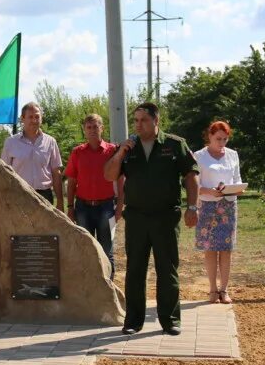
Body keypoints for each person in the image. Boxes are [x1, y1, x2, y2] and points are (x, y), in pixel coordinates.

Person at [104, 102, 199, 336]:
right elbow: (109, 175)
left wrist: (193, 207)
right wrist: (120, 153)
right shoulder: (129, 147)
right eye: (135, 120)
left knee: (167, 269)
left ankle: (170, 320)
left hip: (165, 217)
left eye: (143, 120)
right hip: (136, 217)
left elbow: (191, 175)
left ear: (156, 121)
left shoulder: (174, 144)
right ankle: (133, 321)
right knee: (135, 269)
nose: (138, 125)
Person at [65, 114, 122, 277]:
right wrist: (70, 207)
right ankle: (89, 289)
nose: (92, 131)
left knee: (106, 250)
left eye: (95, 127)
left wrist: (119, 208)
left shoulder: (113, 151)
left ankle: (108, 288)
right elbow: (71, 182)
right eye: (89, 127)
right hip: (83, 208)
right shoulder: (77, 152)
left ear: (102, 128)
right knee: (85, 249)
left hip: (106, 207)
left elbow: (121, 181)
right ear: (84, 130)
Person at [193, 121, 243, 304]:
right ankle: (212, 290)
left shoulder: (232, 155)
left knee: (226, 249)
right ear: (209, 137)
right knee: (210, 249)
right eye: (218, 139)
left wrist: (237, 189)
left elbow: (237, 179)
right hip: (207, 206)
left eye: (225, 139)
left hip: (228, 206)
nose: (222, 142)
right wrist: (209, 191)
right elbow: (193, 185)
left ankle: (225, 290)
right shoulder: (199, 156)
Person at [0, 102, 64, 211]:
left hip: (45, 196)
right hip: (20, 195)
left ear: (41, 119)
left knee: (44, 228)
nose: (34, 120)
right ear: (22, 119)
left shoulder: (51, 142)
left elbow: (56, 173)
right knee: (21, 228)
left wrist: (60, 201)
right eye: (30, 117)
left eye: (37, 117)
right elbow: (3, 172)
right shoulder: (11, 142)